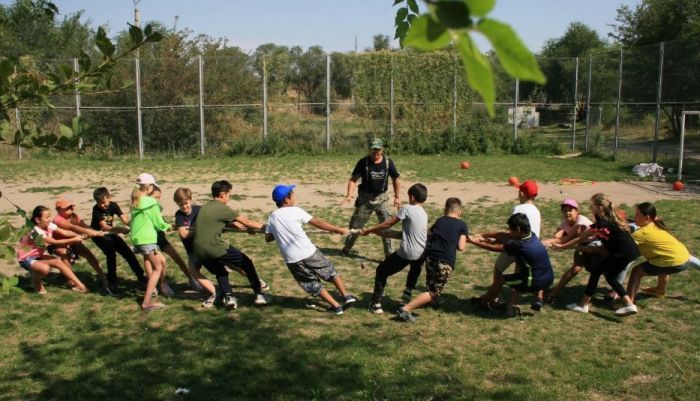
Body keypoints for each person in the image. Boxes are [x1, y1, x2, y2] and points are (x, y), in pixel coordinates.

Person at [265, 184, 357, 315]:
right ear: (286, 199)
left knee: (311, 284)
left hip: (292, 259)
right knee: (330, 271)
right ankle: (346, 296)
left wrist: (277, 231)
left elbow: (268, 238)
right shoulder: (296, 210)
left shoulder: (272, 217)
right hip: (309, 252)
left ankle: (336, 307)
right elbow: (318, 223)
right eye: (292, 194)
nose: (294, 196)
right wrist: (338, 230)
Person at [193, 180, 270, 309]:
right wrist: (267, 227)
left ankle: (229, 298)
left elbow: (229, 223)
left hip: (200, 251)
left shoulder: (205, 207)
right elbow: (246, 221)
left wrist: (245, 228)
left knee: (221, 271)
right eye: (229, 195)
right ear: (223, 194)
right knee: (246, 263)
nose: (229, 197)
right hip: (214, 246)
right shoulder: (221, 208)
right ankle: (259, 295)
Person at [471, 180, 541, 309]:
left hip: (516, 247)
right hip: (531, 250)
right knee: (519, 277)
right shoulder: (537, 211)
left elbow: (512, 232)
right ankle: (512, 305)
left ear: (522, 194)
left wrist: (489, 239)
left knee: (498, 269)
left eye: (519, 191)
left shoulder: (518, 209)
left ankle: (492, 298)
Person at [567, 193, 640, 316]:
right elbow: (591, 235)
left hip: (622, 253)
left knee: (601, 273)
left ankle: (584, 305)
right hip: (630, 251)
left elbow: (584, 236)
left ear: (600, 207)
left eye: (592, 205)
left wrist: (566, 246)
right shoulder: (606, 218)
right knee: (604, 274)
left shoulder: (604, 222)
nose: (590, 207)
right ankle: (628, 304)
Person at [397, 198, 468, 322]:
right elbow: (461, 247)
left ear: (445, 210)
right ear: (459, 212)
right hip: (445, 260)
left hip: (431, 257)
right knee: (434, 292)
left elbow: (428, 234)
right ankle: (405, 309)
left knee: (431, 282)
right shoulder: (462, 225)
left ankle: (429, 302)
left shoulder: (440, 221)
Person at [469, 213, 554, 317]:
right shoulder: (531, 235)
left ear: (518, 229)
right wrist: (484, 235)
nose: (509, 232)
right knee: (519, 277)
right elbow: (506, 236)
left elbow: (495, 248)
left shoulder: (520, 245)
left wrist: (473, 241)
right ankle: (538, 299)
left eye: (511, 229)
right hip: (548, 278)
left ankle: (483, 302)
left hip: (534, 282)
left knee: (500, 279)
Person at [362, 183, 428, 315]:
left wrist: (370, 229)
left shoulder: (407, 208)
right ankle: (408, 292)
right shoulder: (423, 212)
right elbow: (408, 230)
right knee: (415, 265)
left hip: (408, 252)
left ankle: (376, 304)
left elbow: (389, 223)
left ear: (412, 197)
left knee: (381, 270)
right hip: (423, 252)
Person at [340, 138, 400, 257]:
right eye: (373, 150)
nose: (375, 152)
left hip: (382, 199)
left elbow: (395, 179)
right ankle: (346, 248)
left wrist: (397, 196)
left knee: (386, 227)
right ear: (369, 150)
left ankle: (389, 255)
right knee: (356, 226)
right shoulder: (363, 162)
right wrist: (349, 195)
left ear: (382, 150)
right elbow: (353, 180)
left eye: (377, 149)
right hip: (365, 199)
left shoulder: (388, 162)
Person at [626, 202, 696, 304]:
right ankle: (659, 290)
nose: (635, 217)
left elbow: (624, 245)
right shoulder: (655, 224)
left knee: (636, 272)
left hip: (674, 262)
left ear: (647, 217)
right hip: (684, 257)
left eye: (637, 215)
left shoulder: (641, 233)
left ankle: (628, 303)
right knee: (662, 262)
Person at [141, 175, 201, 292]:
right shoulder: (145, 206)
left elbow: (160, 222)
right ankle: (160, 285)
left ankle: (191, 279)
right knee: (153, 262)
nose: (157, 200)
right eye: (156, 197)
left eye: (159, 198)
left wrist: (169, 226)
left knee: (177, 258)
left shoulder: (156, 206)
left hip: (160, 237)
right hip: (150, 240)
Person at [16, 205, 89, 294]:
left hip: (38, 255)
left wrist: (78, 235)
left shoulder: (49, 225)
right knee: (45, 269)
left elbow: (64, 232)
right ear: (38, 220)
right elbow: (54, 242)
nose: (49, 219)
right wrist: (74, 239)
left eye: (50, 216)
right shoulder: (34, 232)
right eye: (47, 217)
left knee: (59, 263)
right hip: (26, 258)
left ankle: (80, 285)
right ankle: (35, 281)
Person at [90, 187, 147, 293]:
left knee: (127, 252)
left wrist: (135, 223)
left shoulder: (113, 205)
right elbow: (104, 227)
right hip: (98, 235)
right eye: (99, 203)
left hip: (111, 233)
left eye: (104, 202)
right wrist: (120, 230)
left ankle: (141, 276)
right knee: (111, 255)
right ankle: (112, 282)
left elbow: (125, 220)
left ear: (109, 197)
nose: (102, 205)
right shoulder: (96, 209)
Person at [542, 199, 597, 303]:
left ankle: (616, 294)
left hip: (597, 247)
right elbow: (558, 235)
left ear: (577, 211)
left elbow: (567, 239)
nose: (567, 213)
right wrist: (554, 238)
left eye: (570, 210)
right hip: (583, 247)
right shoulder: (565, 223)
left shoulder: (581, 221)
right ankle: (553, 294)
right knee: (575, 269)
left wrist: (550, 242)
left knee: (601, 272)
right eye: (564, 210)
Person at [52, 197, 111, 293]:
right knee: (64, 254)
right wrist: (87, 233)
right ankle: (72, 282)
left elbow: (83, 225)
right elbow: (73, 227)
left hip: (74, 242)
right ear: (58, 210)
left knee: (89, 254)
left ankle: (103, 277)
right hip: (60, 243)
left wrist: (96, 231)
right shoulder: (57, 220)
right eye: (67, 207)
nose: (70, 208)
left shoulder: (74, 216)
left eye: (71, 206)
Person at [173, 187, 217, 308]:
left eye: (186, 203)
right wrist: (198, 229)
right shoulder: (179, 216)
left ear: (190, 200)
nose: (184, 207)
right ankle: (213, 292)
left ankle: (253, 278)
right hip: (192, 251)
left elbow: (210, 223)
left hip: (206, 247)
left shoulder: (199, 210)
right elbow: (183, 234)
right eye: (180, 205)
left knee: (230, 264)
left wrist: (194, 229)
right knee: (193, 270)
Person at [130, 184, 171, 312]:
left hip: (138, 240)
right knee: (158, 268)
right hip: (148, 240)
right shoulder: (151, 202)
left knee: (162, 261)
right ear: (149, 188)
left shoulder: (136, 200)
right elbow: (158, 222)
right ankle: (147, 302)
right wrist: (167, 226)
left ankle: (158, 287)